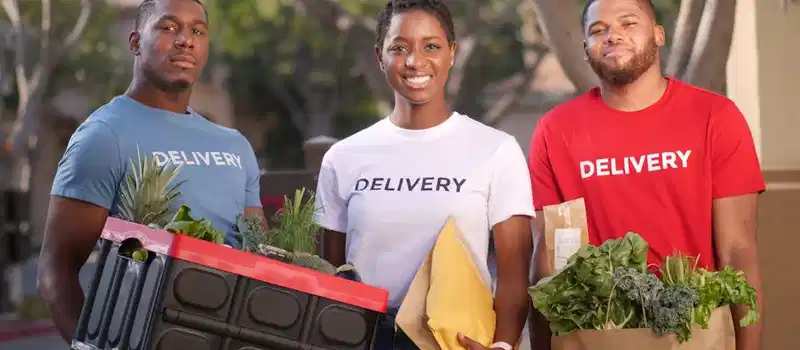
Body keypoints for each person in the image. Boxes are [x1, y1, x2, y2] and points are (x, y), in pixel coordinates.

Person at [527, 0, 765, 349]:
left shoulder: (716, 116)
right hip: (597, 335)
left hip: (695, 332)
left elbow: (737, 249)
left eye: (628, 23)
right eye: (598, 29)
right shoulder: (556, 131)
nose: (612, 36)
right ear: (585, 49)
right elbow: (548, 257)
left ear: (658, 35)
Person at [37, 0, 266, 342]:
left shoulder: (235, 145)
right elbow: (56, 270)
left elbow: (258, 253)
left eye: (197, 31)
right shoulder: (104, 136)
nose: (185, 40)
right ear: (134, 42)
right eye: (168, 27)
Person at [312, 0, 534, 349]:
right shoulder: (343, 157)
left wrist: (503, 346)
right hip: (361, 339)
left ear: (452, 53)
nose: (415, 61)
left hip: (455, 340)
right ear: (379, 56)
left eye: (431, 46)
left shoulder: (496, 149)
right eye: (399, 48)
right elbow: (329, 271)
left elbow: (514, 274)